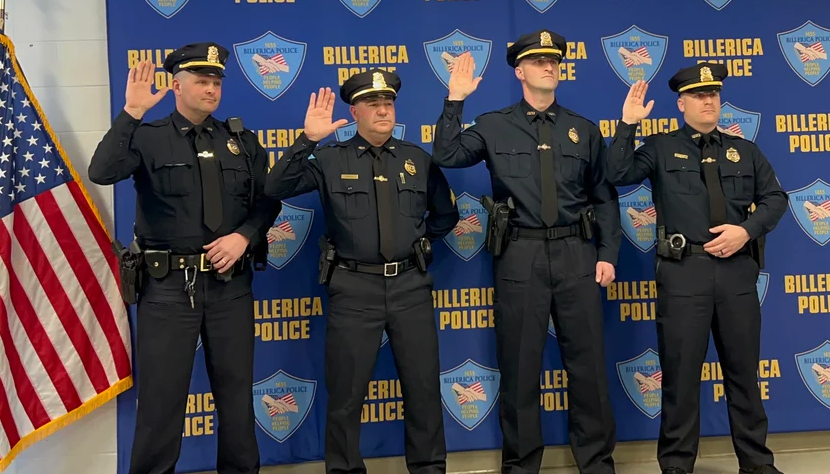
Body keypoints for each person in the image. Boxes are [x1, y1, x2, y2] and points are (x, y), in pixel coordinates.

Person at [433, 30, 621, 474]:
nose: (549, 67)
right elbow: (446, 154)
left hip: (577, 254)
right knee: (519, 370)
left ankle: (597, 464)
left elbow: (604, 197)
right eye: (538, 62)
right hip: (520, 255)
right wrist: (454, 101)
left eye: (554, 61)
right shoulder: (494, 125)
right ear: (520, 71)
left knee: (589, 368)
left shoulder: (584, 130)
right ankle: (521, 466)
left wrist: (608, 252)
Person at [88, 42, 279, 474]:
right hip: (169, 288)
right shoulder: (147, 137)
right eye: (201, 81)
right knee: (162, 399)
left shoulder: (240, 141)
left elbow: (268, 201)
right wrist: (131, 113)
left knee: (235, 395)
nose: (211, 89)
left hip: (231, 285)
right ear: (177, 85)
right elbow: (101, 172)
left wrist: (244, 237)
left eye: (216, 82)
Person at [264, 69, 459, 474]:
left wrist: (418, 245)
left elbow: (446, 214)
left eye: (388, 102)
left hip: (410, 286)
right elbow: (275, 187)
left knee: (423, 390)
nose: (383, 109)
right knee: (347, 395)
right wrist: (308, 140)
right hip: (353, 288)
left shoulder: (416, 159)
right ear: (354, 111)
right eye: (372, 104)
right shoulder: (330, 159)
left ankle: (428, 469)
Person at [605, 62, 788, 474]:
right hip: (683, 271)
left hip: (737, 273)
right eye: (700, 95)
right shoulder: (661, 147)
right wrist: (627, 126)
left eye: (714, 94)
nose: (709, 101)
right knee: (681, 375)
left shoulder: (745, 150)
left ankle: (757, 464)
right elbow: (616, 173)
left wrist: (746, 231)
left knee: (743, 373)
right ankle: (676, 466)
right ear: (681, 103)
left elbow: (776, 199)